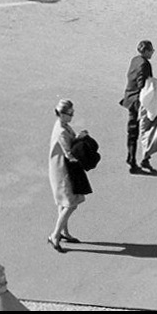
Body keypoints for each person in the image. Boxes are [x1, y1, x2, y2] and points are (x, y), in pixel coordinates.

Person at [48, 99, 92, 251]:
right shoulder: (61, 131)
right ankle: (55, 235)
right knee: (71, 204)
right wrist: (80, 140)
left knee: (63, 202)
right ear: (61, 114)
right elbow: (70, 154)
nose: (72, 116)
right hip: (63, 170)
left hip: (61, 168)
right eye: (70, 114)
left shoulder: (63, 125)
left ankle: (64, 232)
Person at [120, 40, 154, 174]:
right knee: (147, 129)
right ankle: (142, 158)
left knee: (132, 130)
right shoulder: (145, 64)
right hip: (138, 101)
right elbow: (142, 83)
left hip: (129, 98)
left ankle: (132, 157)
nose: (152, 52)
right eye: (151, 50)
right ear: (146, 51)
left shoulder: (135, 60)